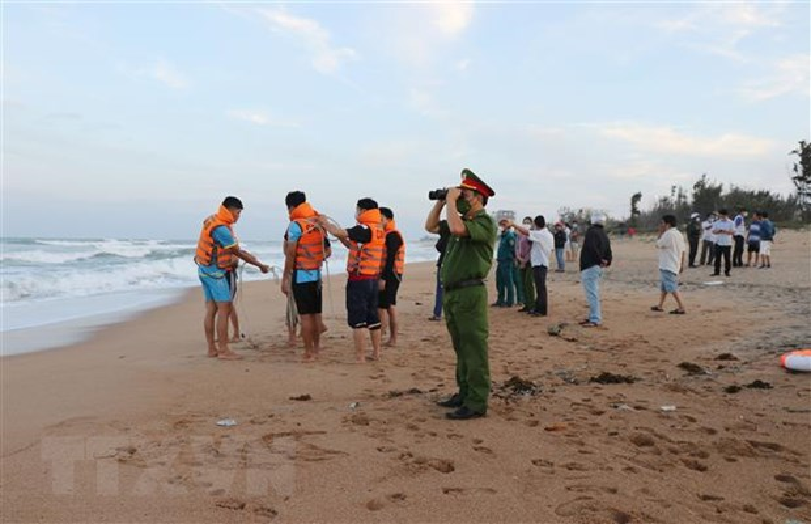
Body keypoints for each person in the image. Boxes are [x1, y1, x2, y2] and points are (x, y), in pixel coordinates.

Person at [425, 169, 496, 420]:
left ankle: (476, 401)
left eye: (465, 192)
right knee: (461, 347)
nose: (461, 195)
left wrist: (453, 203)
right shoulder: (461, 219)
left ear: (477, 197)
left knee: (473, 347)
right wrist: (442, 202)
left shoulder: (484, 222)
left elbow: (455, 228)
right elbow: (431, 226)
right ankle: (465, 392)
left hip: (470, 293)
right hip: (454, 293)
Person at [195, 196, 269, 360]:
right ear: (232, 210)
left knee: (211, 310)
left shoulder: (211, 219)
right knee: (224, 309)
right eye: (238, 213)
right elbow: (237, 252)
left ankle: (211, 349)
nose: (238, 217)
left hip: (203, 270)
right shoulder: (222, 229)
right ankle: (223, 350)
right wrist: (259, 265)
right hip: (216, 274)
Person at [318, 198, 385, 363]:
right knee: (373, 319)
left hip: (359, 279)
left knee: (359, 320)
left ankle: (360, 356)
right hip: (372, 278)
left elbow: (338, 232)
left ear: (362, 210)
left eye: (357, 209)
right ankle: (376, 353)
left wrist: (324, 222)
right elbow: (352, 244)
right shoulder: (378, 228)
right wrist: (342, 238)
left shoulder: (364, 227)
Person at [282, 191, 329, 362]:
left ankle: (308, 353)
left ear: (292, 207)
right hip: (316, 275)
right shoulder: (318, 224)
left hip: (301, 276)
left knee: (305, 316)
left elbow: (291, 254)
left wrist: (285, 277)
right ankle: (316, 349)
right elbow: (327, 251)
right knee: (316, 313)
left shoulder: (296, 225)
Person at [512, 216, 553, 317]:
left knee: (540, 288)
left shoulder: (541, 234)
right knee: (540, 288)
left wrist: (513, 225)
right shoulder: (545, 234)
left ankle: (541, 310)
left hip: (540, 263)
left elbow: (525, 232)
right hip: (540, 263)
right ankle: (538, 308)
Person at [378, 207, 405, 347]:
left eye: (380, 218)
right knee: (382, 305)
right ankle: (382, 334)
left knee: (390, 306)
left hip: (391, 275)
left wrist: (383, 278)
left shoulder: (392, 235)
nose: (377, 221)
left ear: (388, 219)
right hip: (387, 274)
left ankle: (393, 338)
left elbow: (390, 258)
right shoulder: (385, 234)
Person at [579, 215, 612, 327]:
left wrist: (599, 260)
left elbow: (592, 248)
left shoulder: (591, 232)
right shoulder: (604, 234)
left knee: (592, 293)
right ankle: (594, 316)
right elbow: (608, 249)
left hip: (590, 265)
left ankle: (595, 318)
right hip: (597, 266)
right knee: (593, 292)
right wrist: (607, 260)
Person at [651, 215, 686, 314]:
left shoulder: (668, 234)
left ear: (667, 224)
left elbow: (658, 244)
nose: (661, 225)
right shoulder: (679, 234)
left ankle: (681, 306)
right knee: (664, 287)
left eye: (662, 223)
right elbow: (683, 250)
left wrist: (660, 232)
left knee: (671, 286)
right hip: (674, 263)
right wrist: (681, 264)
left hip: (668, 264)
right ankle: (660, 305)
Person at [493, 220, 517, 307]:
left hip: (507, 261)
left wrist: (514, 259)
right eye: (500, 225)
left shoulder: (510, 236)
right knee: (499, 282)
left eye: (503, 225)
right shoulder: (502, 236)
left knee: (508, 281)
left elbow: (513, 249)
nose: (501, 227)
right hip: (500, 261)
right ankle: (500, 300)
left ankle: (510, 301)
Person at [430, 228, 450, 321]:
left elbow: (438, 247)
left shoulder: (444, 238)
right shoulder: (453, 238)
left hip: (443, 264)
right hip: (452, 264)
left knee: (440, 289)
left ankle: (437, 313)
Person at [515, 216, 535, 314]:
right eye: (524, 222)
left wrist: (525, 260)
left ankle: (531, 305)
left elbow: (531, 250)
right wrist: (518, 257)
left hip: (529, 262)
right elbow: (518, 248)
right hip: (521, 260)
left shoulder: (531, 235)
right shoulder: (520, 236)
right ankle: (526, 304)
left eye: (528, 222)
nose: (526, 224)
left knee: (529, 284)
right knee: (522, 283)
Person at [711, 209, 734, 277]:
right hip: (718, 242)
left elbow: (733, 232)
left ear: (725, 215)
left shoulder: (731, 222)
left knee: (727, 258)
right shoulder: (717, 222)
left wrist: (725, 232)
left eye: (722, 215)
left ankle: (727, 272)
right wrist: (719, 231)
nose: (721, 216)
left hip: (727, 243)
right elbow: (713, 232)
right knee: (717, 258)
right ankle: (716, 271)